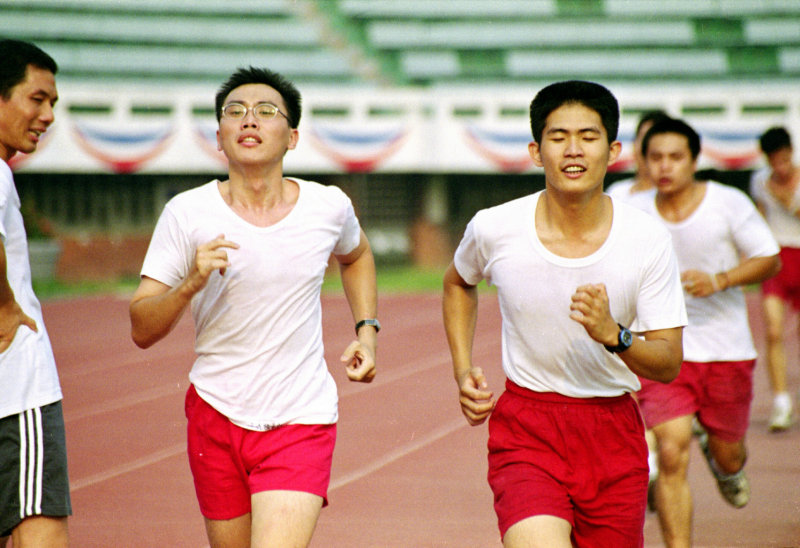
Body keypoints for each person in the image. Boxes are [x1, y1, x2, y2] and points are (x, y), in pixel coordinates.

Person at [129, 66, 378, 548]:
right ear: (219, 137)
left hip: (300, 415)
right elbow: (141, 326)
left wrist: (367, 329)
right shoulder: (187, 213)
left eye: (267, 112)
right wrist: (189, 284)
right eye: (235, 112)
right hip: (215, 413)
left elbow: (358, 254)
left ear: (293, 136)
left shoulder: (328, 207)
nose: (249, 121)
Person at [442, 80, 686, 548]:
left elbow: (669, 362)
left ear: (613, 150)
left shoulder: (647, 239)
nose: (573, 150)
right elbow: (458, 282)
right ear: (536, 151)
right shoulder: (495, 227)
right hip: (528, 428)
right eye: (558, 137)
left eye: (588, 137)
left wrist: (615, 334)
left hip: (612, 431)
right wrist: (462, 367)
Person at [633, 117, 780, 548]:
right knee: (671, 449)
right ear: (644, 162)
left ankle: (726, 468)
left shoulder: (727, 203)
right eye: (655, 157)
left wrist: (720, 280)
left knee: (729, 452)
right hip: (665, 351)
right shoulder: (632, 212)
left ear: (695, 160)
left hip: (725, 349)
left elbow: (769, 258)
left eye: (675, 157)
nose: (665, 167)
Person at [0, 40, 71, 548]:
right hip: (17, 391)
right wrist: (6, 305)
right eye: (36, 99)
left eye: (53, 104)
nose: (47, 115)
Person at [749, 126, 800, 431]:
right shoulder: (758, 181)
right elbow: (759, 219)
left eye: (783, 160)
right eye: (773, 162)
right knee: (772, 331)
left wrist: (786, 197)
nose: (779, 168)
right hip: (778, 260)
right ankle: (781, 402)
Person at [606, 109, 669, 202]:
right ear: (634, 144)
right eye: (645, 139)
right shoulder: (616, 193)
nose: (649, 148)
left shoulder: (672, 196)